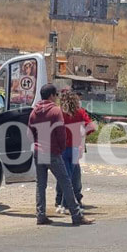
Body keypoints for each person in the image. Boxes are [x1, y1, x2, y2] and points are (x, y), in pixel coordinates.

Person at [28, 84, 93, 226]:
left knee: (41, 185)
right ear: (51, 95)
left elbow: (30, 133)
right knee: (66, 182)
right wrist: (61, 148)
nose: (57, 98)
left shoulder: (34, 112)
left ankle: (41, 215)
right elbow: (61, 132)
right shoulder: (55, 111)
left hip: (39, 152)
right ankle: (76, 215)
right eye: (55, 95)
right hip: (52, 152)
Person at [55, 90, 96, 213]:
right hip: (75, 148)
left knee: (64, 176)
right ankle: (71, 202)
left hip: (61, 148)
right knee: (73, 175)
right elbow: (91, 127)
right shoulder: (80, 112)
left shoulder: (58, 112)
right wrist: (82, 133)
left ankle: (62, 201)